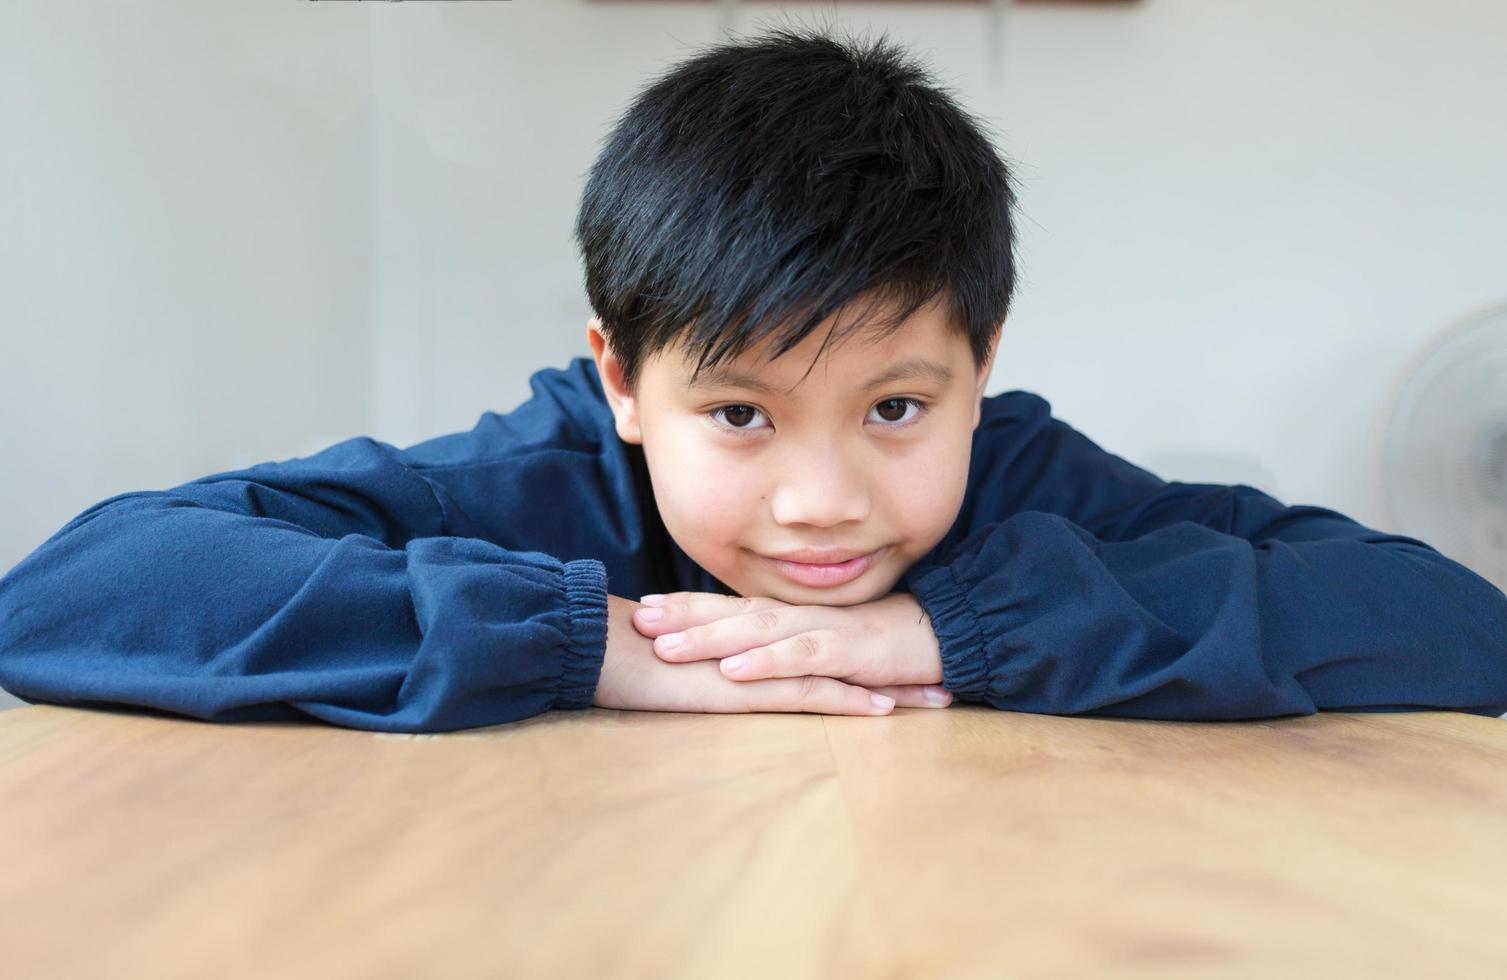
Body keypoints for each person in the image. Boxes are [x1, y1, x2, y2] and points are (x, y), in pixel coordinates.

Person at [1, 27, 1504, 733]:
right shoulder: (539, 485)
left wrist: (954, 631)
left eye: (898, 409)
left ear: (983, 367)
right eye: (738, 414)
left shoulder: (1027, 486)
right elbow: (69, 591)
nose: (824, 499)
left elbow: (1457, 624)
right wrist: (586, 648)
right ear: (625, 381)